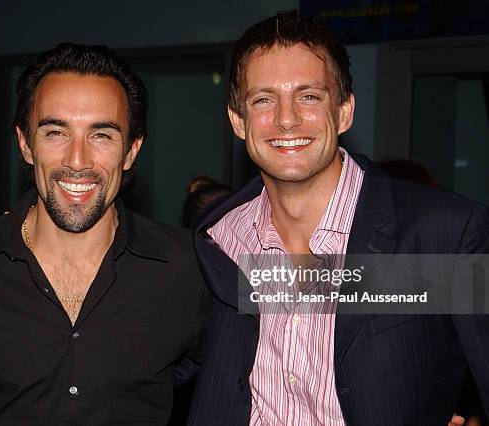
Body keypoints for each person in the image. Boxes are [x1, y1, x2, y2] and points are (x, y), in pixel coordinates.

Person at [187, 10, 488, 426]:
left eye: (309, 96)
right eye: (263, 99)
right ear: (238, 121)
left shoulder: (445, 235)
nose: (286, 118)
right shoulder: (218, 240)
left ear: (344, 111)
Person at [0, 43, 209, 425]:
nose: (77, 160)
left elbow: (264, 354)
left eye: (101, 135)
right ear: (25, 144)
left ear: (131, 151)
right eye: (56, 132)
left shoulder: (187, 269)